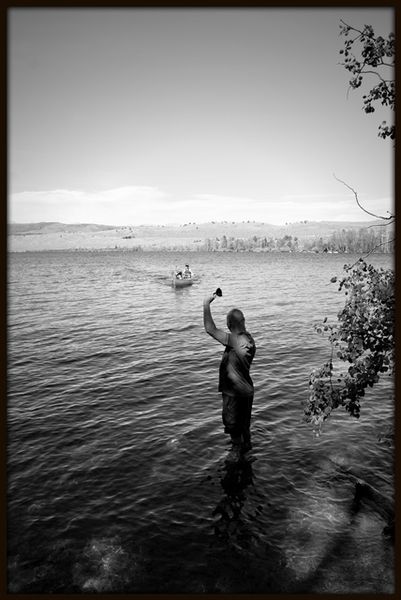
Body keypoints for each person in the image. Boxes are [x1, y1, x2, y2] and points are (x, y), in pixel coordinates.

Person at [203, 291, 256, 461]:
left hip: (234, 394)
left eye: (227, 323)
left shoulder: (235, 341)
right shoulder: (249, 339)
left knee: (233, 428)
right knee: (244, 427)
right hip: (247, 391)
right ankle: (247, 454)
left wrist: (206, 304)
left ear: (230, 324)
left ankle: (236, 458)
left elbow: (210, 329)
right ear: (244, 322)